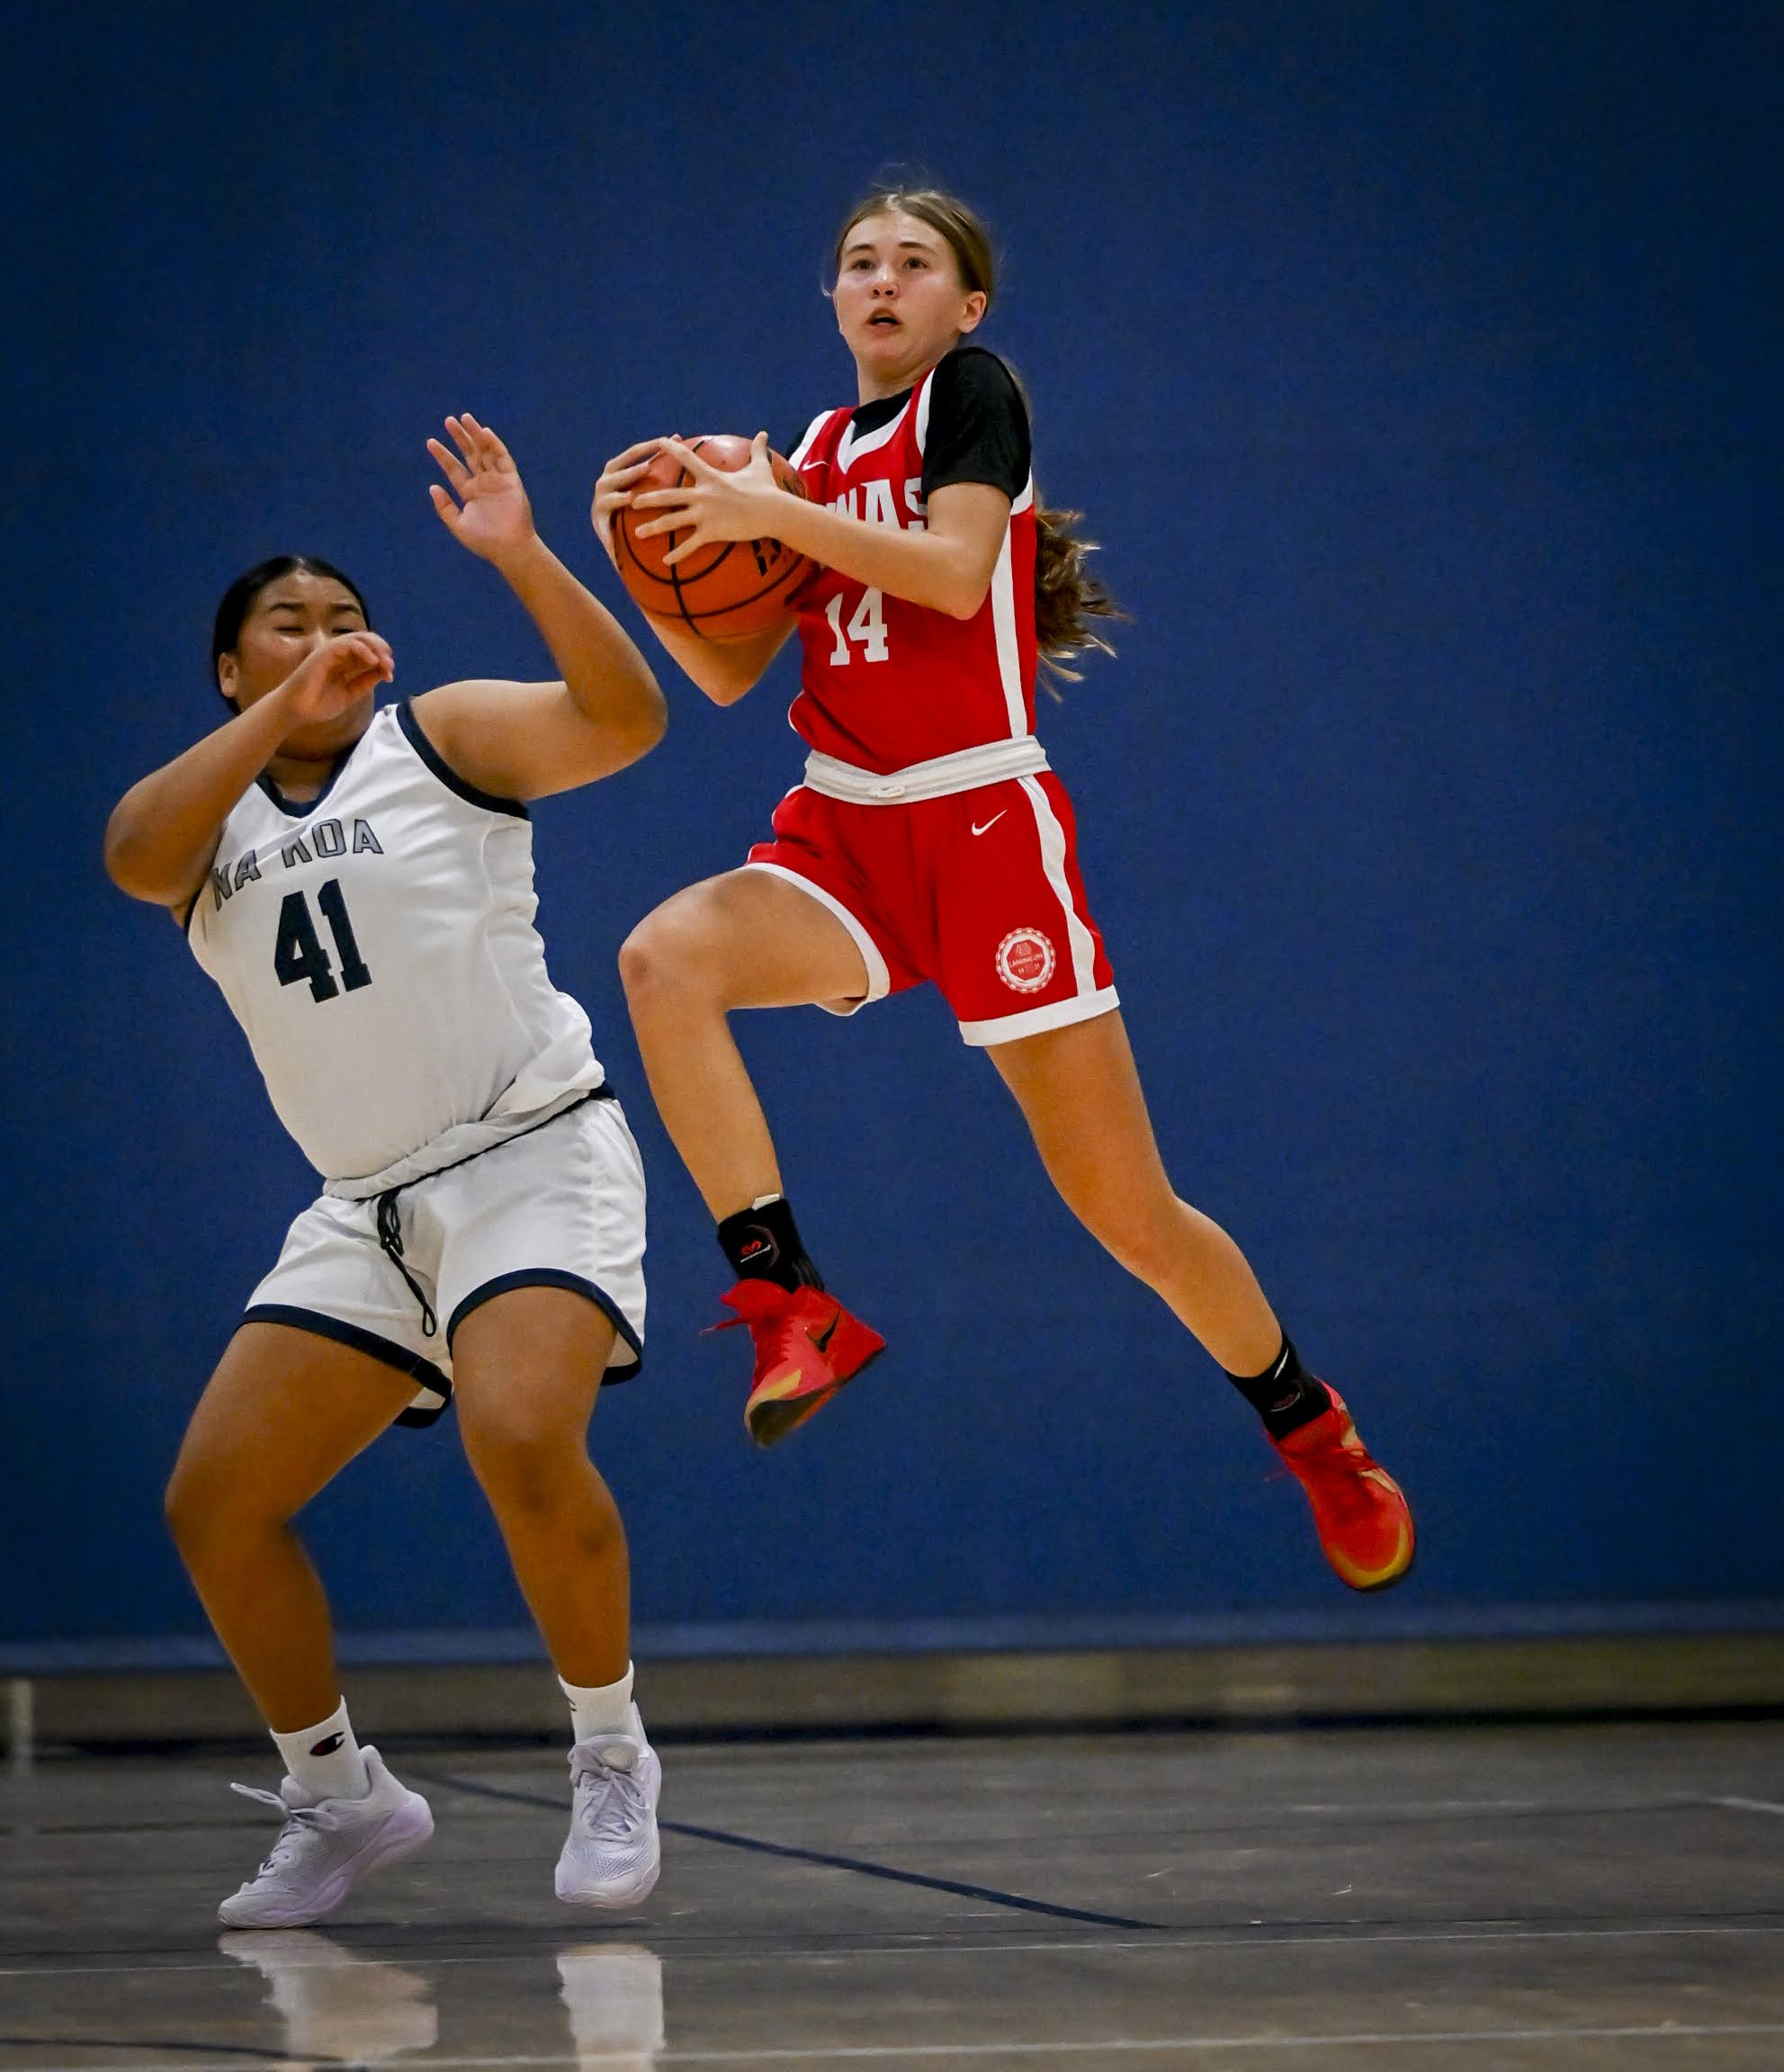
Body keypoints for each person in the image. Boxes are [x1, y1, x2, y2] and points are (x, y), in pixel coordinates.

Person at [596, 188, 1415, 1592]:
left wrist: (767, 511)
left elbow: (955, 569)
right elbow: (729, 675)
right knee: (662, 961)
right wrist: (652, 558)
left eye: (914, 264)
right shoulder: (805, 455)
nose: (881, 281)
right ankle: (791, 1300)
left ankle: (1315, 1433)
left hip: (981, 824)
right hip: (845, 827)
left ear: (965, 305)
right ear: (831, 297)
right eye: (859, 262)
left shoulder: (970, 396)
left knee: (1128, 1213)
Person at [104, 415, 670, 1926]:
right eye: (286, 625)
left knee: (519, 1430)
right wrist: (277, 716)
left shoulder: (443, 737)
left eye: (345, 617)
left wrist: (521, 556)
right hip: (366, 1208)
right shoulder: (202, 821)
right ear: (229, 671)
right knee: (215, 1504)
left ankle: (611, 1752)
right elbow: (130, 857)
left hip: (529, 1151)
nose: (324, 638)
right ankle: (342, 1795)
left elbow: (627, 721)